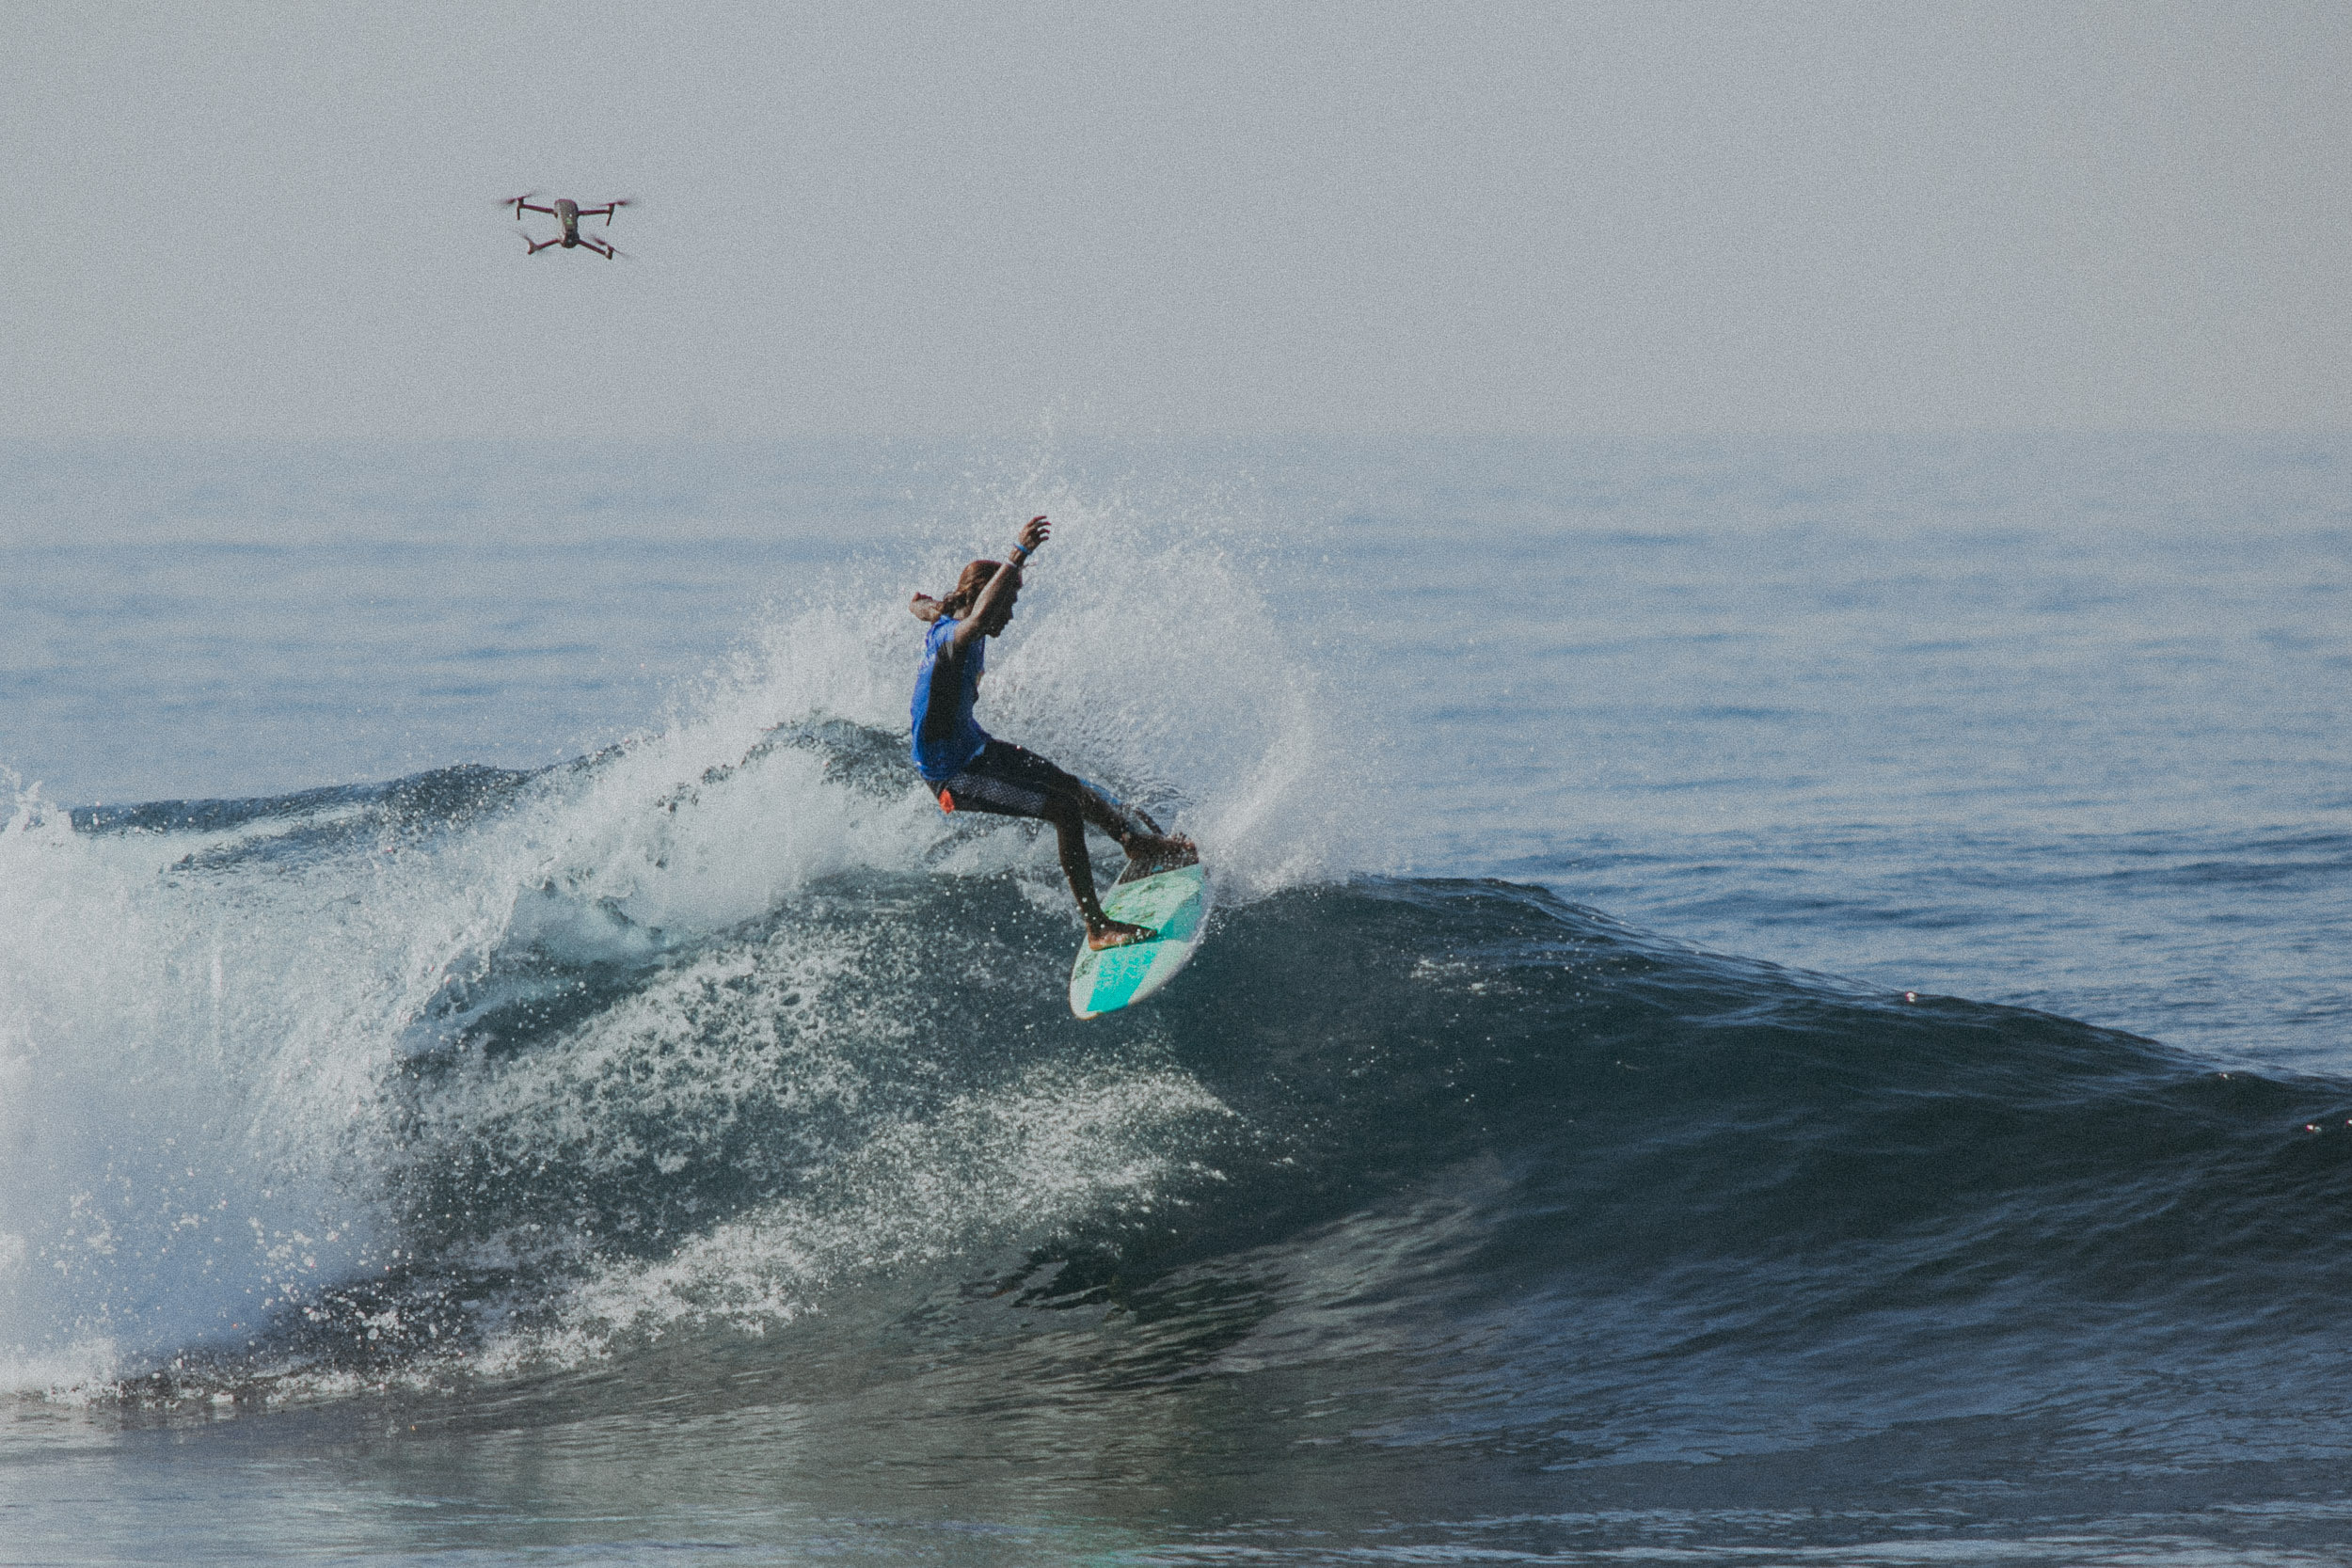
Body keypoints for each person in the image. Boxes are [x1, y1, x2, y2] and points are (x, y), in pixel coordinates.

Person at [910, 515, 1195, 950]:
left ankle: (1135, 843)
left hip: (974, 746)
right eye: (1008, 603)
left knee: (1068, 785)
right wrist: (1018, 554)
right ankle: (1097, 928)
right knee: (1062, 809)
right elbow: (976, 613)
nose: (1011, 613)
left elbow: (929, 608)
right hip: (952, 775)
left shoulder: (951, 616)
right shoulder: (957, 638)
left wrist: (919, 604)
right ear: (986, 601)